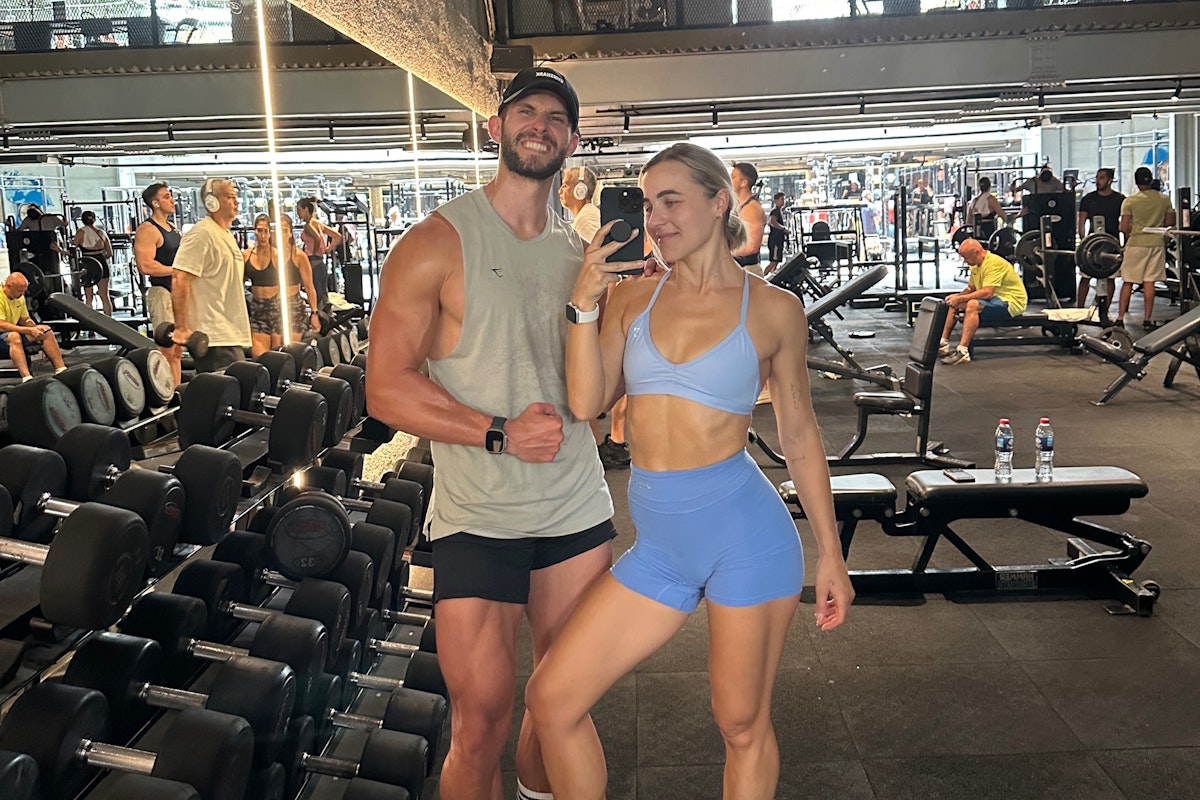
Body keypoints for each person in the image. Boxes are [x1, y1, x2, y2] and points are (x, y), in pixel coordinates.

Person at [524, 142, 853, 799]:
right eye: (648, 205)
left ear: (718, 200)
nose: (656, 218)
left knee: (740, 725)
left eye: (671, 201)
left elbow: (800, 433)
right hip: (662, 549)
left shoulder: (772, 310)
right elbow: (588, 403)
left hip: (746, 540)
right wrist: (584, 306)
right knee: (552, 698)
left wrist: (832, 555)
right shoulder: (631, 300)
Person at [364, 66, 616, 800]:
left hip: (576, 510)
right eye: (525, 111)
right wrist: (497, 432)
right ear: (495, 128)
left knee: (560, 704)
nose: (540, 125)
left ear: (572, 139)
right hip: (479, 518)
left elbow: (598, 382)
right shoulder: (435, 242)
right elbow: (385, 388)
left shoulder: (582, 254)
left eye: (557, 118)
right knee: (480, 721)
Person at [558, 165, 630, 469]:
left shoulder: (586, 219)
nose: (561, 190)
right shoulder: (580, 218)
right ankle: (608, 443)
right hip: (597, 310)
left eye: (565, 184)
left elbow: (603, 270)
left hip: (598, 311)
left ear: (579, 190)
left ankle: (606, 445)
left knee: (591, 383)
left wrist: (601, 314)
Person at [171, 178, 251, 373]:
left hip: (230, 333)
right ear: (211, 202)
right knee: (226, 397)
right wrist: (181, 327)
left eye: (236, 197)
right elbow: (179, 278)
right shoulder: (202, 234)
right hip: (214, 335)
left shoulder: (224, 234)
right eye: (230, 197)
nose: (236, 202)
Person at [939, 237, 1028, 365]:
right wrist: (957, 297)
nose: (965, 261)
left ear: (976, 252)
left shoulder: (993, 263)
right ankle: (943, 344)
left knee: (972, 304)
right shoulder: (975, 264)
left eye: (966, 257)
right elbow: (971, 288)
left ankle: (963, 352)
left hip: (1010, 303)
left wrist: (961, 298)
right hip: (993, 301)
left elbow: (987, 293)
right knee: (955, 303)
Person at [243, 214, 321, 355]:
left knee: (288, 352)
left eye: (285, 230)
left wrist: (314, 312)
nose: (281, 234)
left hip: (292, 306)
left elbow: (309, 286)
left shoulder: (298, 255)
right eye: (278, 231)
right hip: (266, 306)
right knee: (266, 354)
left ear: (290, 232)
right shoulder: (265, 254)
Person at [134, 182, 183, 386]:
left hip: (178, 293)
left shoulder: (172, 228)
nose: (172, 200)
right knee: (167, 351)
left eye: (170, 195)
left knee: (178, 350)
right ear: (155, 203)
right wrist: (177, 270)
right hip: (161, 293)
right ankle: (166, 396)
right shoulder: (147, 229)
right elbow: (145, 266)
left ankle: (177, 393)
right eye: (166, 197)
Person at [1117, 166, 1175, 330]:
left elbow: (1123, 226)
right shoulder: (1163, 199)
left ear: (1136, 182)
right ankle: (1148, 319)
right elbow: (1170, 222)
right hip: (1156, 244)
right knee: (1149, 281)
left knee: (1128, 281)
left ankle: (1120, 318)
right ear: (1151, 180)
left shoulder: (1130, 201)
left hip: (1135, 244)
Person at [1, 272, 67, 381]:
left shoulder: (19, 298)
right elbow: (1, 325)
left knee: (46, 331)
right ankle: (27, 378)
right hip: (3, 336)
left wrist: (35, 327)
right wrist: (29, 330)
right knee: (14, 336)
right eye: (19, 290)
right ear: (8, 286)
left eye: (23, 291)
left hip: (10, 333)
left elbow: (24, 319)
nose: (22, 294)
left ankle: (61, 370)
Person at [1076, 168, 1125, 309]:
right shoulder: (1088, 199)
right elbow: (1081, 222)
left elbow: (1125, 222)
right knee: (1085, 277)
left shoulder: (1120, 199)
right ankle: (1079, 309)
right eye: (1097, 178)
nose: (1098, 181)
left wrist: (1123, 244)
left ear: (1110, 180)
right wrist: (1083, 241)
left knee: (1110, 278)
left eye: (1102, 178)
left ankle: (1105, 311)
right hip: (1092, 245)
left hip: (1112, 245)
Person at [296, 197, 343, 313]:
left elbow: (317, 238)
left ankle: (321, 323)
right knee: (323, 296)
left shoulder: (308, 226)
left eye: (299, 210)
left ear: (306, 209)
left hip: (313, 262)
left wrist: (316, 250)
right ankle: (328, 323)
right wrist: (326, 250)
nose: (298, 213)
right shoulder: (317, 223)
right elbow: (337, 236)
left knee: (316, 297)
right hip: (320, 263)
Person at [71, 210, 115, 316]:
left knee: (88, 296)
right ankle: (110, 324)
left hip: (88, 263)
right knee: (104, 295)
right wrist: (100, 256)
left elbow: (72, 250)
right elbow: (110, 253)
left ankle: (90, 327)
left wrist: (59, 250)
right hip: (101, 262)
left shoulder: (81, 232)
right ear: (94, 219)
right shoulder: (102, 232)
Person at [730, 162, 766, 275]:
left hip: (748, 271)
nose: (729, 180)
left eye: (733, 177)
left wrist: (722, 254)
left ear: (744, 183)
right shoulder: (735, 205)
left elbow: (751, 247)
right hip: (736, 269)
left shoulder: (752, 208)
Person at [558, 165, 600, 244]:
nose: (559, 191)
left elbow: (596, 254)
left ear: (580, 190)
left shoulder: (586, 220)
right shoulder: (586, 214)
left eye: (565, 186)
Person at [965, 177, 1006, 242]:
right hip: (988, 232)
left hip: (976, 232)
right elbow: (1004, 216)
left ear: (979, 187)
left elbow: (968, 222)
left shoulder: (973, 202)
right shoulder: (992, 200)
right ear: (989, 186)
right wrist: (1018, 215)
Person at [765, 191, 788, 275]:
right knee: (773, 262)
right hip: (775, 240)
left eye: (784, 199)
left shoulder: (778, 211)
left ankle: (773, 279)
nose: (783, 201)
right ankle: (762, 278)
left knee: (776, 262)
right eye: (782, 199)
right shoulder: (775, 211)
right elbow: (772, 222)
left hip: (778, 240)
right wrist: (783, 229)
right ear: (776, 200)